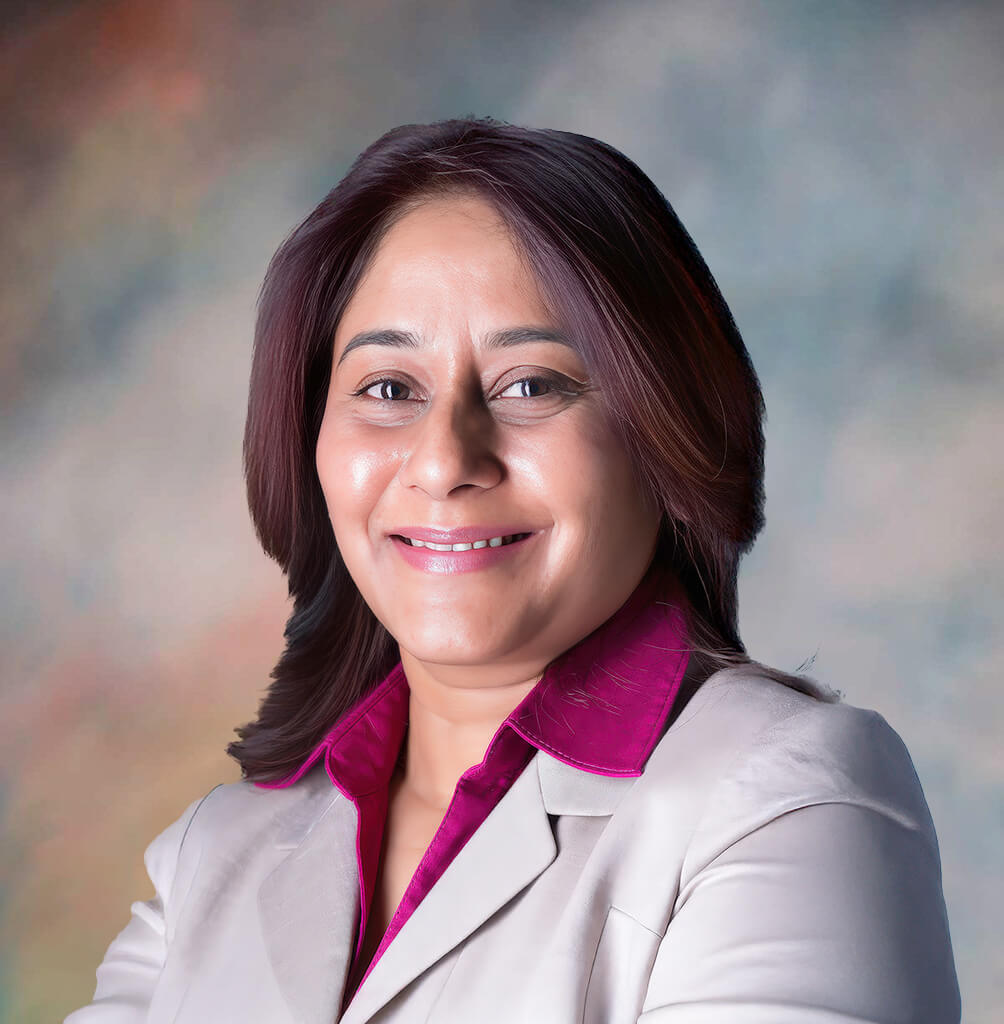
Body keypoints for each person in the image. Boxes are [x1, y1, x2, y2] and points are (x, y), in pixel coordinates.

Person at [64, 117, 961, 1024]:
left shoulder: (793, 797)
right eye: (388, 389)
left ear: (666, 430)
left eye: (531, 384)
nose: (445, 458)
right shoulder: (214, 854)